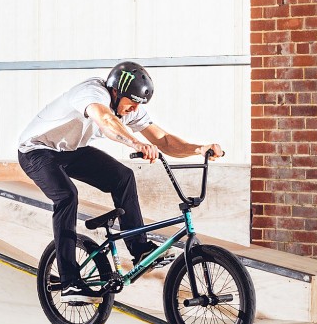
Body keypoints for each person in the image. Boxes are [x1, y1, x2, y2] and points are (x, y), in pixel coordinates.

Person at [17, 61, 223, 303]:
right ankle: (69, 281)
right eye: (131, 102)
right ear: (116, 91)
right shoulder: (92, 93)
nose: (134, 108)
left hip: (71, 151)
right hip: (35, 151)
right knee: (66, 196)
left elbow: (164, 139)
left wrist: (199, 149)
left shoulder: (130, 108)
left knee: (123, 177)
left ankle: (140, 250)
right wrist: (135, 143)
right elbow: (105, 120)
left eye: (138, 105)